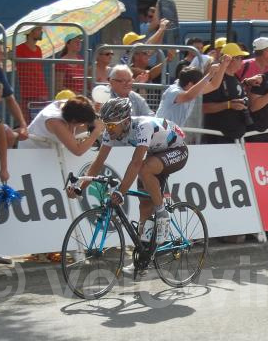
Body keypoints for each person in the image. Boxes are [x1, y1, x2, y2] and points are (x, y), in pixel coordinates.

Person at [70, 97, 188, 246]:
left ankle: (162, 213)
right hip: (156, 153)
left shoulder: (143, 126)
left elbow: (136, 162)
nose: (107, 130)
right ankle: (143, 257)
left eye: (111, 126)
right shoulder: (111, 132)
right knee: (144, 205)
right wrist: (80, 187)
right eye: (105, 125)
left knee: (144, 169)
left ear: (126, 121)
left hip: (177, 151)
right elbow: (98, 162)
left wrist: (121, 191)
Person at [156, 56, 229, 126]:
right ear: (190, 84)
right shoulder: (173, 91)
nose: (200, 85)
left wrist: (224, 66)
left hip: (170, 132)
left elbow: (214, 85)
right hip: (159, 130)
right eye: (198, 83)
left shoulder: (188, 87)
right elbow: (188, 96)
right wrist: (209, 75)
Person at [201, 43, 251, 144]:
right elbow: (204, 108)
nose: (242, 61)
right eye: (240, 58)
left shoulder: (235, 78)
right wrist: (228, 105)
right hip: (218, 138)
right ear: (230, 60)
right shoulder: (217, 79)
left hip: (234, 138)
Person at [22, 95, 102, 155]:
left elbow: (74, 128)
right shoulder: (56, 122)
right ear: (73, 121)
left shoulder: (71, 105)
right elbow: (78, 151)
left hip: (48, 151)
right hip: (30, 152)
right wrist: (96, 131)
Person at [15, 26, 48, 121]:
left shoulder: (38, 49)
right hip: (27, 94)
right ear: (30, 32)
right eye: (38, 29)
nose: (41, 32)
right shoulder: (19, 49)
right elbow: (7, 55)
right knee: (28, 125)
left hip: (41, 94)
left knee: (41, 123)